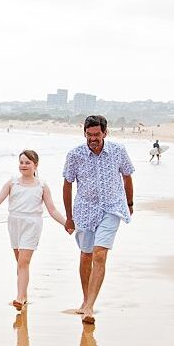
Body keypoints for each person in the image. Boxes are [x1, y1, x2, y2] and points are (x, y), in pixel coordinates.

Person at [62, 114, 135, 324]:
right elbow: (67, 185)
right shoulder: (75, 155)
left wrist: (129, 203)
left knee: (100, 255)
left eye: (97, 134)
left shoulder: (118, 151)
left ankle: (90, 307)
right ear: (84, 133)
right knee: (86, 255)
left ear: (105, 132)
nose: (93, 138)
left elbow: (127, 176)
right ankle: (85, 300)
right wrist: (69, 217)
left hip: (112, 208)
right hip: (84, 210)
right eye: (89, 134)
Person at [0, 149, 67, 310]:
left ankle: (19, 297)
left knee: (23, 262)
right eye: (21, 162)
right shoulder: (12, 183)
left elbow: (52, 210)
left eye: (27, 162)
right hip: (14, 223)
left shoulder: (42, 185)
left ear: (35, 165)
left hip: (32, 224)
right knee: (20, 263)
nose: (23, 165)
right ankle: (23, 295)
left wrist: (66, 224)